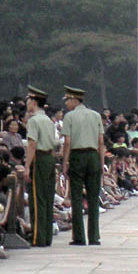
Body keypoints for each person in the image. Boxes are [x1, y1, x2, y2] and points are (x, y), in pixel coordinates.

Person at [61, 86, 105, 246]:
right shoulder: (96, 116)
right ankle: (94, 236)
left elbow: (67, 142)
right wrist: (101, 163)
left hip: (77, 156)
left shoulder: (69, 117)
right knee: (94, 197)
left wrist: (65, 162)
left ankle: (79, 236)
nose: (66, 104)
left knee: (77, 197)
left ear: (74, 100)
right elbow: (101, 141)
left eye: (67, 100)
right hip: (93, 155)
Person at [24, 86, 57, 247]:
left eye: (29, 101)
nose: (27, 104)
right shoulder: (48, 120)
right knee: (48, 198)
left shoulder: (34, 120)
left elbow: (32, 144)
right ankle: (47, 236)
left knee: (37, 199)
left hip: (39, 158)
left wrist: (27, 166)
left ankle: (38, 237)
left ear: (34, 102)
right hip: (50, 158)